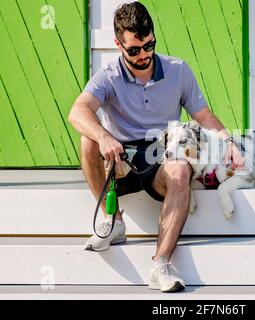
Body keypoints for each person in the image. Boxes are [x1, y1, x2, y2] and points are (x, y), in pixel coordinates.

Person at [68, 2, 244, 293]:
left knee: (180, 167)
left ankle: (161, 263)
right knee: (87, 138)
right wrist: (103, 136)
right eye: (134, 50)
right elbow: (78, 112)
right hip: (121, 162)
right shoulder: (108, 76)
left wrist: (227, 141)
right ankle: (114, 221)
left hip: (160, 159)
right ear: (118, 45)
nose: (143, 55)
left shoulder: (178, 70)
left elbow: (204, 115)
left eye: (149, 46)